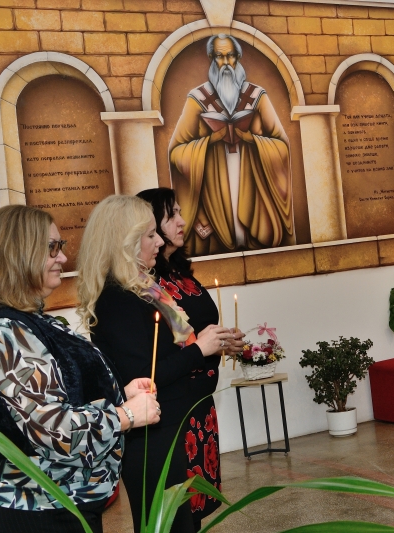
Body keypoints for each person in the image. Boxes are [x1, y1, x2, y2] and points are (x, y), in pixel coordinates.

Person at [0, 205, 160, 533]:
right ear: (19, 254)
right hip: (38, 505)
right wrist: (126, 415)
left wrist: (119, 395)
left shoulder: (29, 320)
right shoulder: (6, 333)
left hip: (64, 500)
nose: (63, 258)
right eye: (52, 248)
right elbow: (53, 430)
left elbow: (60, 393)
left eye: (61, 246)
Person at [76, 195, 239, 533]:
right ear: (125, 242)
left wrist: (206, 346)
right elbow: (145, 376)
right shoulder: (116, 299)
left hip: (172, 423)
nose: (160, 242)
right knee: (168, 524)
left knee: (183, 522)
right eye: (150, 235)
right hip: (152, 435)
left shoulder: (142, 288)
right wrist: (199, 349)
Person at [137, 187, 243, 529]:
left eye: (181, 213)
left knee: (194, 511)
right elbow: (163, 351)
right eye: (172, 216)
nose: (182, 222)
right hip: (173, 409)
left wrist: (222, 343)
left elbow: (193, 333)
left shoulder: (180, 272)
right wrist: (203, 347)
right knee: (178, 512)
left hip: (200, 406)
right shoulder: (145, 282)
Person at [168, 32, 295, 256]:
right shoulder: (198, 98)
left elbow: (282, 145)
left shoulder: (257, 95)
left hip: (253, 184)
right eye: (220, 56)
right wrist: (209, 141)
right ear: (211, 58)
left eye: (231, 56)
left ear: (238, 57)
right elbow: (176, 151)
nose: (226, 63)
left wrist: (252, 140)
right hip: (214, 190)